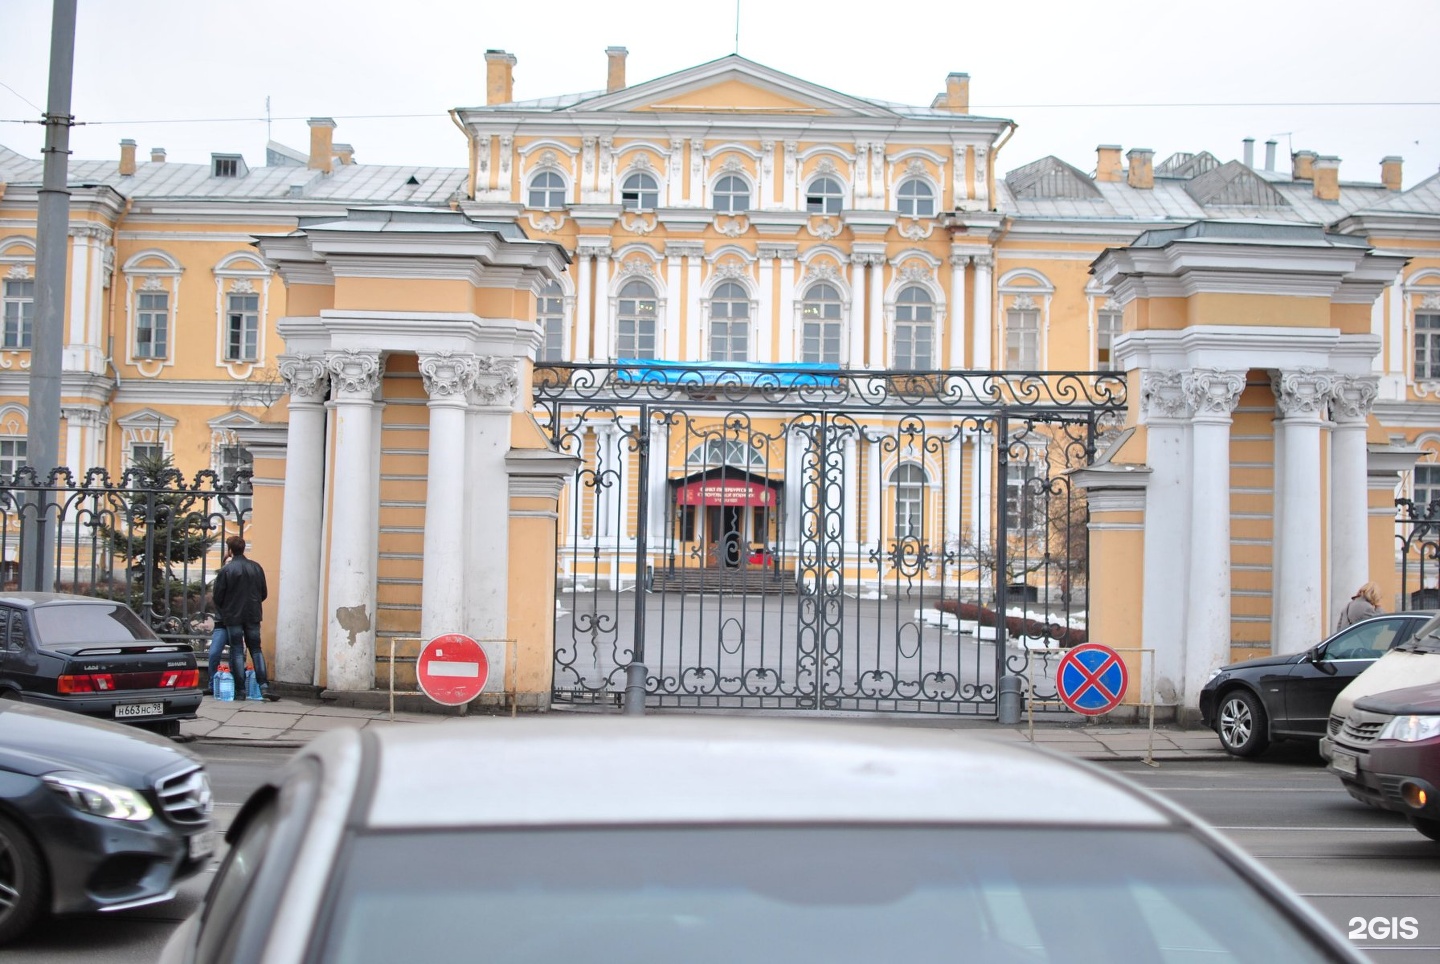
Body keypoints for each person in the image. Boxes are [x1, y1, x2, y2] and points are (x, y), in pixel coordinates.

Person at [211, 534, 277, 701]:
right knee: (256, 649)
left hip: (233, 616)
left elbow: (218, 596)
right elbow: (263, 593)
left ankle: (240, 690)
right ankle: (264, 686)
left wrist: (228, 607)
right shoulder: (256, 567)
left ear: (230, 550)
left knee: (237, 650)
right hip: (253, 614)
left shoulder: (227, 570)